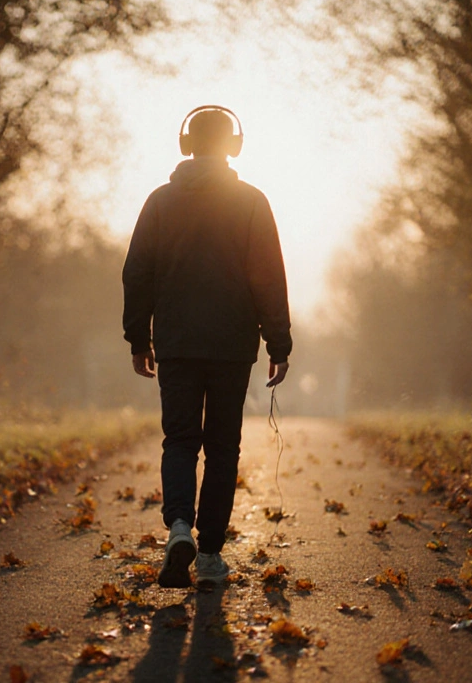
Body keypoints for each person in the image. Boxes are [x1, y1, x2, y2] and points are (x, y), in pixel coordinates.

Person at [122, 105, 292, 588]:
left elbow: (137, 274)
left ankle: (179, 527)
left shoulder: (159, 202)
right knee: (222, 447)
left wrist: (140, 337)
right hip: (232, 346)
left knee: (179, 440)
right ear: (233, 146)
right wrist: (278, 342)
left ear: (186, 144)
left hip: (175, 344)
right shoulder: (253, 202)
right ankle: (212, 554)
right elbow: (269, 278)